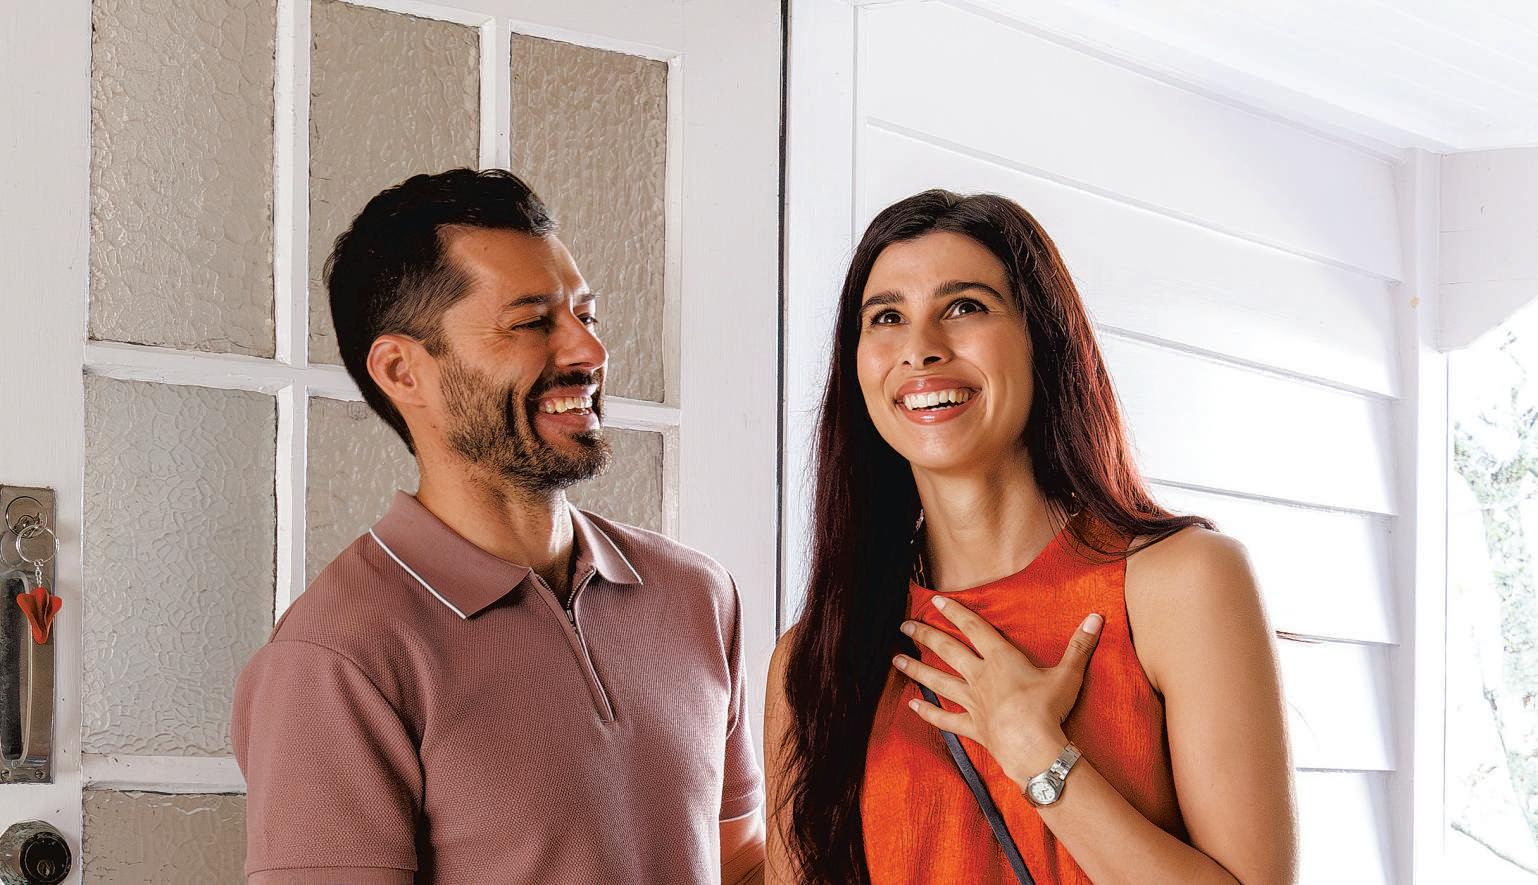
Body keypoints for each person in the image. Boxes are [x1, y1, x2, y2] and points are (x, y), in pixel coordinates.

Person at [232, 168, 765, 884]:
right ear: (402, 371)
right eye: (532, 323)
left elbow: (739, 861)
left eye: (586, 316)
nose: (589, 352)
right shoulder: (333, 661)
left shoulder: (697, 594)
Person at [764, 190, 1297, 884]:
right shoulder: (813, 658)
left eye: (965, 306)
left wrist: (1037, 752)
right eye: (887, 317)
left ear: (1042, 340)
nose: (920, 348)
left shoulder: (1183, 583)